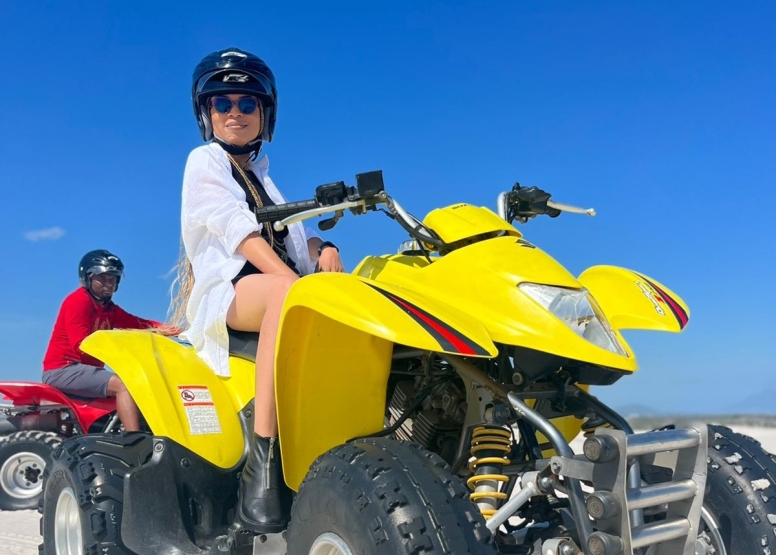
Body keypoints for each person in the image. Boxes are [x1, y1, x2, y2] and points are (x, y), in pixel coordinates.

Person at [169, 47, 345, 535]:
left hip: (278, 283)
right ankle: (261, 467)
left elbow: (286, 233)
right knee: (287, 297)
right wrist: (292, 282)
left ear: (265, 113)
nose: (235, 113)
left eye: (247, 103)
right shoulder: (203, 162)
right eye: (221, 102)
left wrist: (323, 245)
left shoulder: (264, 175)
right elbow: (238, 231)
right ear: (206, 113)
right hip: (234, 293)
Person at [42, 249, 166, 432]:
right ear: (88, 278)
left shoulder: (109, 309)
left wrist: (174, 331)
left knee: (143, 384)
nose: (109, 284)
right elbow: (81, 344)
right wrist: (121, 352)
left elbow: (140, 324)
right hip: (63, 369)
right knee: (124, 384)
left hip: (84, 371)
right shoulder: (78, 301)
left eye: (113, 279)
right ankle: (134, 439)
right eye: (103, 278)